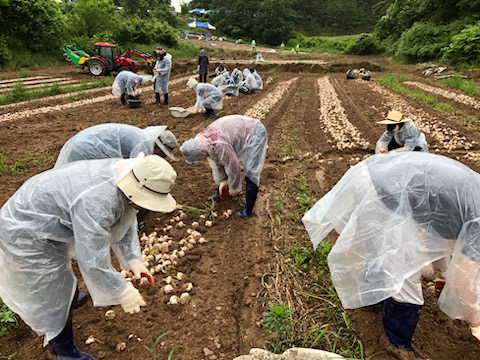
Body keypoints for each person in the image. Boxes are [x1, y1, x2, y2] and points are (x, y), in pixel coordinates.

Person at [302, 152, 480, 358]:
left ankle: (374, 298)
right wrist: (476, 322)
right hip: (387, 192)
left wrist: (442, 271)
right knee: (403, 273)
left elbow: (441, 236)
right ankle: (397, 341)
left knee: (386, 253)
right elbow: (463, 282)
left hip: (376, 173)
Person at [0, 155, 177, 360]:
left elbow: (124, 222)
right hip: (25, 230)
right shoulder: (97, 202)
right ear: (135, 192)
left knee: (61, 278)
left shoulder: (126, 176)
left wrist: (133, 260)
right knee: (52, 288)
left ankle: (71, 297)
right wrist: (122, 291)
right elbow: (92, 261)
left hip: (45, 217)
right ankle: (64, 352)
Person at [179, 115, 268, 218]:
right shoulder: (203, 141)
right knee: (222, 161)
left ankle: (248, 210)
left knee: (251, 171)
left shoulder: (216, 145)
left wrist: (234, 188)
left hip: (254, 132)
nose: (201, 159)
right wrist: (223, 183)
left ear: (200, 152)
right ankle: (220, 193)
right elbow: (218, 162)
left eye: (199, 158)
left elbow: (233, 165)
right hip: (239, 130)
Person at [54, 124, 178, 168]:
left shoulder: (143, 137)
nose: (162, 158)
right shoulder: (144, 145)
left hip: (85, 143)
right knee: (92, 180)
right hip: (87, 149)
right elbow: (135, 173)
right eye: (163, 155)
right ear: (158, 148)